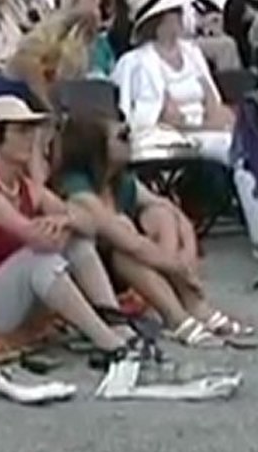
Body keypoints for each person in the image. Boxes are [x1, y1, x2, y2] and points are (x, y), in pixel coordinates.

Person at [0, 96, 135, 362]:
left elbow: (90, 224)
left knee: (78, 242)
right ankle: (108, 342)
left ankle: (118, 326)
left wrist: (66, 221)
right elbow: (36, 238)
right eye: (21, 131)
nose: (30, 139)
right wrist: (61, 224)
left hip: (3, 297)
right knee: (39, 259)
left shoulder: (26, 186)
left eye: (31, 130)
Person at [56, 114, 254, 346]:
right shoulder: (78, 190)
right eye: (123, 136)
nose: (130, 142)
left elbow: (172, 211)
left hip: (134, 261)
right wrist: (179, 269)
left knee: (160, 215)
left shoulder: (121, 181)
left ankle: (196, 307)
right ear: (96, 146)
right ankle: (176, 317)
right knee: (124, 235)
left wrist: (185, 260)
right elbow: (128, 243)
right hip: (94, 275)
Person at [113, 0, 258, 251]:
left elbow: (212, 100)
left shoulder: (192, 53)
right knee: (243, 153)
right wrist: (205, 123)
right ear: (159, 21)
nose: (182, 17)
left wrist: (215, 120)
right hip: (174, 136)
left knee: (246, 145)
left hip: (207, 128)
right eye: (175, 13)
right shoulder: (139, 62)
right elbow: (162, 118)